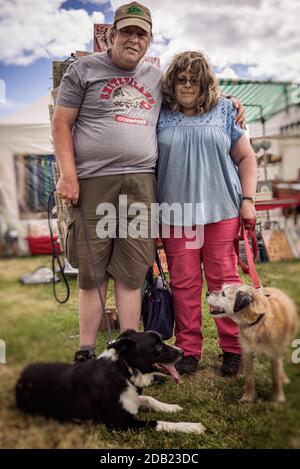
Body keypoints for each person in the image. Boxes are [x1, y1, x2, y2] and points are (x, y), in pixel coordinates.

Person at [52, 2, 245, 363]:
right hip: (94, 181)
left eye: (141, 33)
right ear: (111, 34)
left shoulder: (156, 77)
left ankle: (131, 352)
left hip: (143, 184)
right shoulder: (83, 70)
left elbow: (202, 95)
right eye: (126, 31)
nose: (133, 39)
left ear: (150, 39)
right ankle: (86, 351)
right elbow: (61, 123)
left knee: (131, 269)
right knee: (93, 271)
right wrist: (67, 173)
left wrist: (229, 102)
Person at [156, 51, 257, 376]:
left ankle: (232, 348)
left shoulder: (225, 110)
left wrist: (248, 199)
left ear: (205, 83)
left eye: (194, 79)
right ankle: (187, 350)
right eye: (181, 79)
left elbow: (246, 158)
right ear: (172, 82)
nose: (187, 85)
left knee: (224, 282)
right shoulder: (160, 112)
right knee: (184, 284)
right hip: (176, 213)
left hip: (221, 210)